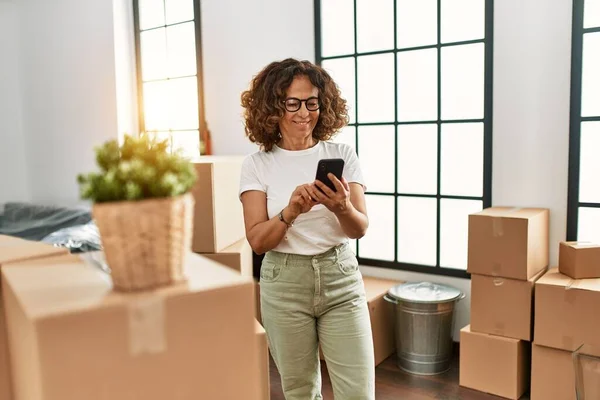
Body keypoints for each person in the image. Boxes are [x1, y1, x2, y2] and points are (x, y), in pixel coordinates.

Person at [238, 58, 375, 400]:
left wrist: (341, 206)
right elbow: (257, 241)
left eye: (312, 102)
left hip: (339, 277)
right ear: (272, 109)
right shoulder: (256, 164)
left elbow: (359, 229)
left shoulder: (341, 153)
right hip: (284, 284)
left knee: (358, 392)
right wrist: (291, 212)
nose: (304, 112)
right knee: (300, 392)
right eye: (293, 103)